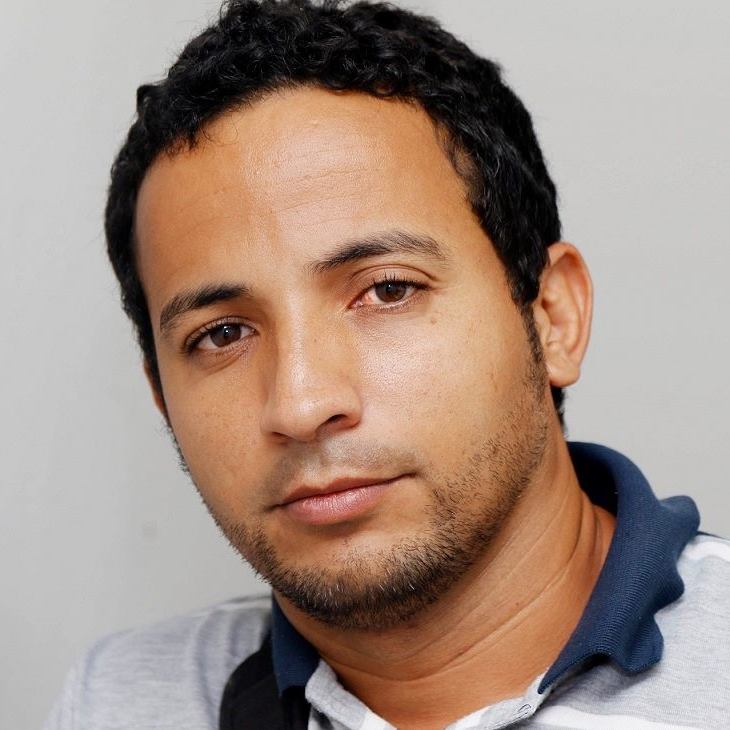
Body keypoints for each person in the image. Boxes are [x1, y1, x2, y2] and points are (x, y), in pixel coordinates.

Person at [46, 1, 729, 728]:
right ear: (161, 396)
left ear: (552, 316)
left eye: (387, 290)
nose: (301, 403)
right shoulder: (117, 701)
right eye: (222, 334)